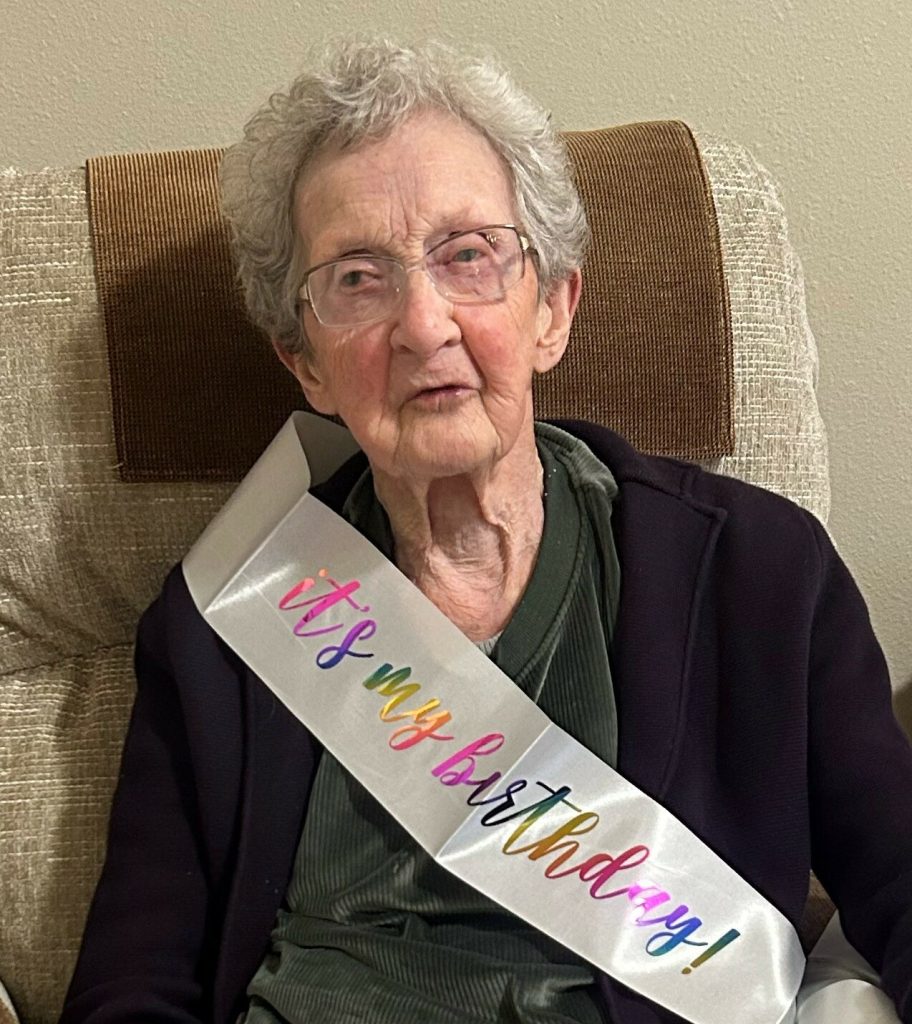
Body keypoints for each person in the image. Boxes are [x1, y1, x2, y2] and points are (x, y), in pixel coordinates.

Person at [60, 38, 912, 1024]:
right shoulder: (227, 617)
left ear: (552, 307)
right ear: (306, 363)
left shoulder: (761, 573)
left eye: (468, 255)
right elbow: (133, 982)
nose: (424, 325)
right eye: (357, 278)